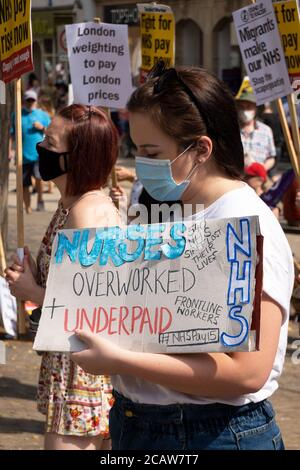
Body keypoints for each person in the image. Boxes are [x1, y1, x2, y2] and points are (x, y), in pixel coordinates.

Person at [71, 63, 294, 450]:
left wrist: (120, 360)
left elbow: (247, 373)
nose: (138, 164)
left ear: (201, 149)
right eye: (136, 149)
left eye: (151, 151)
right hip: (136, 422)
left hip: (214, 434)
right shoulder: (167, 214)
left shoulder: (247, 225)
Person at [5, 104, 120, 450]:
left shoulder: (87, 212)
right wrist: (30, 275)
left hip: (83, 371)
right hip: (68, 362)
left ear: (77, 157)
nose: (40, 148)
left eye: (50, 143)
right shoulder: (70, 205)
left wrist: (30, 290)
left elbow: (91, 301)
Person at [10, 89, 51, 213]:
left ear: (36, 100)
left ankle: (40, 200)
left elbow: (52, 131)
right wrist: (10, 150)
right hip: (23, 155)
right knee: (24, 183)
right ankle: (27, 207)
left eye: (32, 100)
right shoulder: (17, 114)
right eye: (28, 100)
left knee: (39, 178)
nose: (30, 102)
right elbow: (12, 133)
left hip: (39, 154)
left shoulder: (43, 115)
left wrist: (42, 127)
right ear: (24, 100)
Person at [236, 90, 277, 172]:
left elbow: (271, 157)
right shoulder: (231, 130)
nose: (244, 111)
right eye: (241, 107)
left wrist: (261, 170)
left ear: (255, 109)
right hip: (237, 179)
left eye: (248, 107)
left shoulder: (266, 130)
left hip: (259, 180)